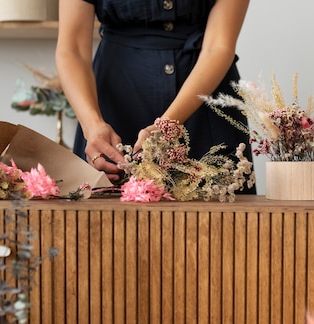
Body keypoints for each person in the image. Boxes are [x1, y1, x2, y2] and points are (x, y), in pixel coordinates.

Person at [55, 0, 254, 188]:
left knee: (222, 222)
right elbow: (72, 49)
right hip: (114, 110)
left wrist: (168, 124)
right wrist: (92, 125)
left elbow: (219, 47)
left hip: (206, 106)